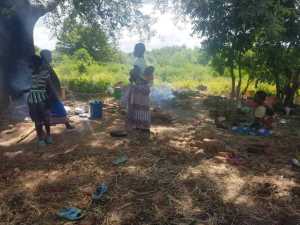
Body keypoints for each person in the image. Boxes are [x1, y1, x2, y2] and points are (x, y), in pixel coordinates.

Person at [40, 50, 74, 129]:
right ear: (45, 56)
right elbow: (47, 82)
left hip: (51, 92)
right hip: (50, 93)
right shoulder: (44, 66)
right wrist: (52, 92)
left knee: (50, 110)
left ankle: (66, 124)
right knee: (59, 109)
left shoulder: (46, 65)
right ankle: (66, 124)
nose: (51, 57)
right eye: (49, 55)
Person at [28, 55, 55, 146]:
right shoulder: (32, 74)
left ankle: (48, 136)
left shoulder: (45, 73)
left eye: (32, 63)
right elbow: (32, 88)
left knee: (46, 119)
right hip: (32, 100)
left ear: (37, 64)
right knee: (37, 121)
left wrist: (49, 100)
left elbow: (50, 88)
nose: (30, 65)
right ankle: (40, 138)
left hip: (42, 99)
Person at [126, 43, 152, 133]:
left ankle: (138, 126)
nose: (134, 51)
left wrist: (131, 76)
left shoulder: (137, 61)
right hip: (145, 87)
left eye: (135, 49)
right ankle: (144, 126)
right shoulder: (143, 60)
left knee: (137, 107)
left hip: (139, 87)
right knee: (143, 107)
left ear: (139, 51)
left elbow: (136, 74)